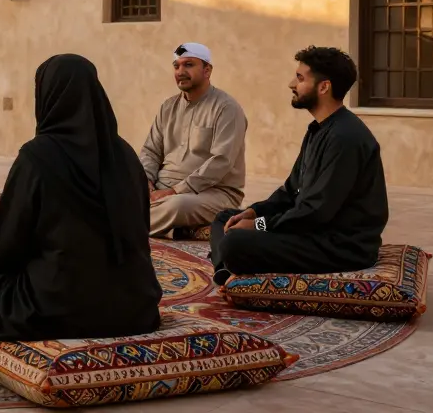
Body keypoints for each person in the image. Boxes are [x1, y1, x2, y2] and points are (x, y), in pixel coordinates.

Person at [0, 54, 162, 364]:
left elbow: (4, 247)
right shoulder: (126, 156)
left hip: (55, 307)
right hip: (135, 306)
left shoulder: (38, 157)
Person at [209, 46, 388, 285]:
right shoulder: (319, 129)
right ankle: (224, 269)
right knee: (225, 218)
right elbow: (290, 190)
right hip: (312, 229)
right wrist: (253, 212)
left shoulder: (346, 138)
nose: (291, 84)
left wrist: (259, 225)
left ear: (324, 87)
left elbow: (316, 211)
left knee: (235, 241)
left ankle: (227, 261)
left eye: (300, 78)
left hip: (339, 244)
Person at [139, 42, 247, 237]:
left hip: (213, 193)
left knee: (178, 206)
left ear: (207, 70)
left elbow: (221, 161)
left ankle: (121, 226)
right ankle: (177, 228)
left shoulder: (226, 108)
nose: (180, 71)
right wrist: (145, 180)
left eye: (188, 65)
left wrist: (175, 190)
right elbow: (150, 151)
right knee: (116, 189)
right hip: (163, 190)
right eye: (176, 66)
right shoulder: (168, 107)